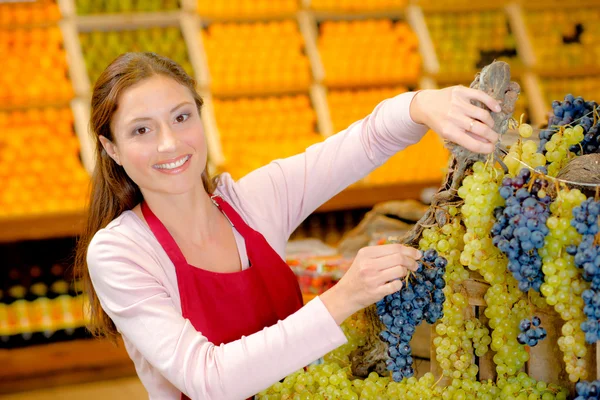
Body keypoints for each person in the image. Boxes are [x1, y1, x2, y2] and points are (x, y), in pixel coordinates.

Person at [74, 52, 502, 400]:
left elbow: (365, 142)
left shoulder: (251, 203)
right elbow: (209, 381)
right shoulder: (120, 252)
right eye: (142, 130)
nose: (169, 143)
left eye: (181, 117)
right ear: (111, 148)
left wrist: (421, 104)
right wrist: (345, 297)